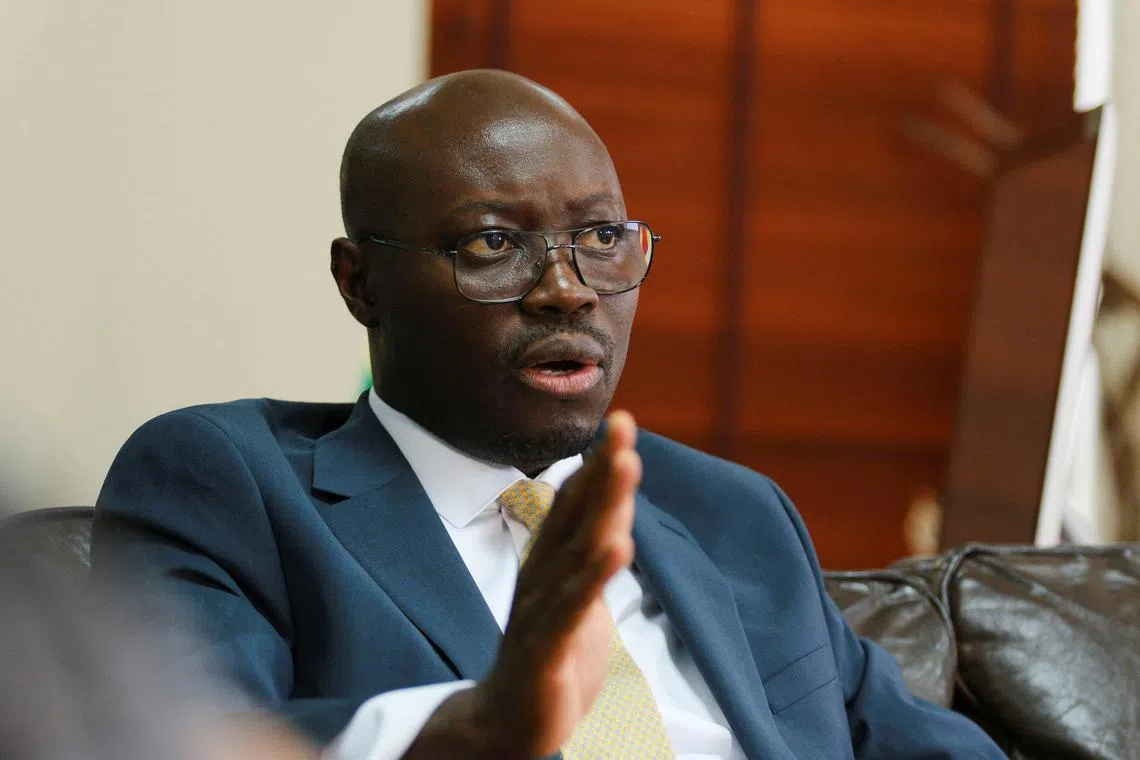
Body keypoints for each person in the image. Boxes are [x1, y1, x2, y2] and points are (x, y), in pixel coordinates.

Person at [93, 69, 1004, 759]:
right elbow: (181, 738)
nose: (567, 292)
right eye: (494, 243)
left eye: (601, 238)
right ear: (360, 282)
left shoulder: (732, 514)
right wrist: (477, 727)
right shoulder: (231, 482)